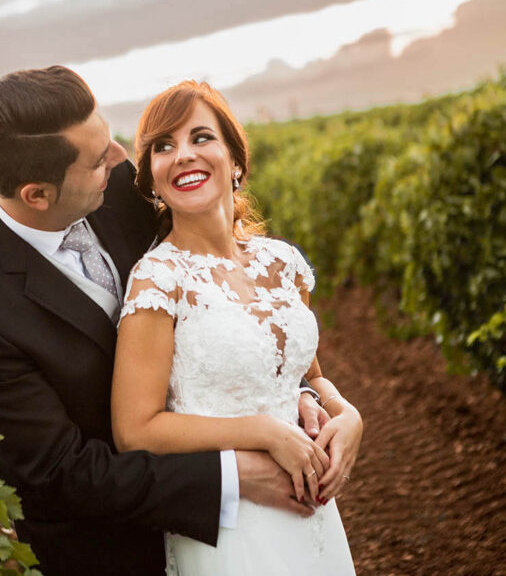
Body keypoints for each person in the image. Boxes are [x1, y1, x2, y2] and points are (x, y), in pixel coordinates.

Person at [0, 66, 332, 575]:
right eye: (100, 159)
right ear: (37, 194)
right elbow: (61, 475)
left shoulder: (118, 183)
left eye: (111, 139)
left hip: (259, 515)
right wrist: (234, 475)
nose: (123, 160)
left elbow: (224, 302)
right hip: (115, 550)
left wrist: (298, 393)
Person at [111, 80, 362, 574]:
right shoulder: (157, 279)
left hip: (312, 513)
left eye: (200, 137)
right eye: (163, 147)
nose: (182, 155)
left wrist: (345, 412)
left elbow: (306, 377)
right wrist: (264, 432)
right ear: (153, 180)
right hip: (230, 523)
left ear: (236, 159)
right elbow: (134, 431)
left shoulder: (283, 263)